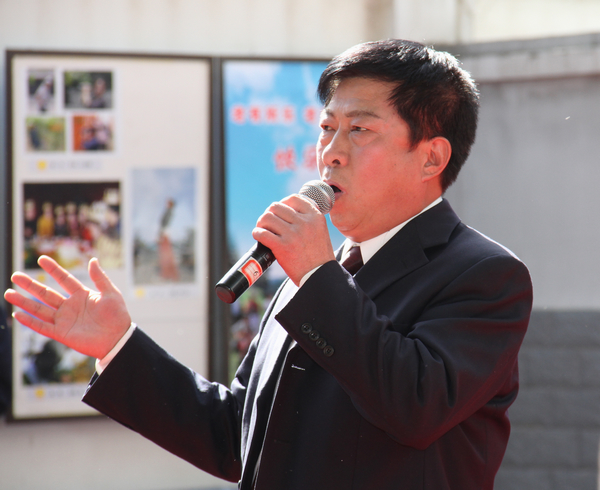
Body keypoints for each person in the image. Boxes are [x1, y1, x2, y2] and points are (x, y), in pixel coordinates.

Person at [4, 39, 532, 490]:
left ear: (431, 158)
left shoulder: (484, 275)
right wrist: (117, 346)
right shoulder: (315, 274)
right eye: (326, 128)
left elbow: (416, 406)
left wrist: (318, 276)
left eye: (360, 130)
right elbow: (239, 434)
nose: (331, 152)